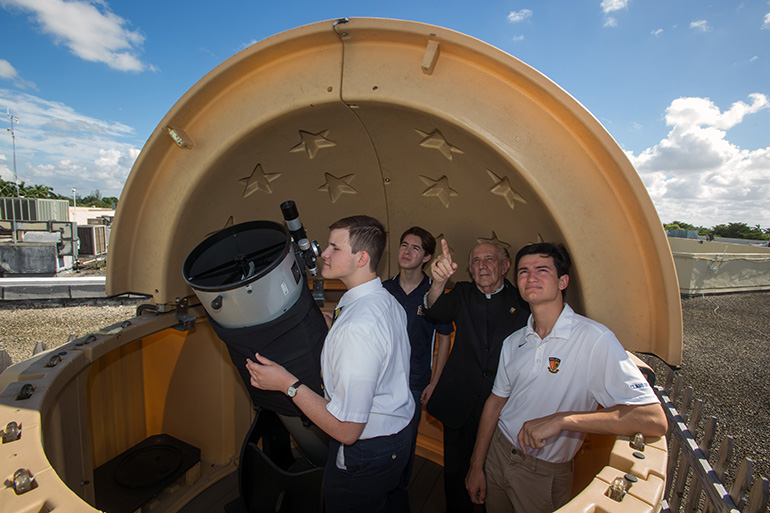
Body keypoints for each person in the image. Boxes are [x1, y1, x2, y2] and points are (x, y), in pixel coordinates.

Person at [465, 242, 668, 513]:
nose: (531, 277)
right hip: (498, 454)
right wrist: (476, 466)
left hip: (543, 473)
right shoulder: (514, 342)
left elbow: (653, 419)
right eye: (523, 271)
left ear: (563, 281)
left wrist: (563, 421)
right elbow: (495, 404)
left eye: (542, 270)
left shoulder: (595, 339)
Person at [246, 215, 415, 513]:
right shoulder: (386, 300)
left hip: (366, 453)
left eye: (334, 247)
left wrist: (287, 384)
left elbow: (347, 430)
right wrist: (334, 328)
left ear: (361, 258)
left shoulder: (357, 329)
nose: (323, 252)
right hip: (396, 441)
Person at [424, 238, 530, 513]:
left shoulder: (523, 302)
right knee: (455, 476)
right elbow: (435, 309)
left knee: (490, 477)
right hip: (458, 403)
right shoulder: (461, 292)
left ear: (505, 266)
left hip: (500, 409)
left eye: (489, 259)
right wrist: (437, 283)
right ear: (469, 270)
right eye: (476, 261)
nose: (481, 266)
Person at [382, 226, 454, 478]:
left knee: (404, 446)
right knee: (378, 442)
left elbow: (444, 339)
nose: (407, 251)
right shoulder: (384, 290)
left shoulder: (432, 293)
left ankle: (399, 492)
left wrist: (435, 382)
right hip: (380, 381)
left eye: (415, 248)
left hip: (413, 382)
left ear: (426, 258)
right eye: (404, 245)